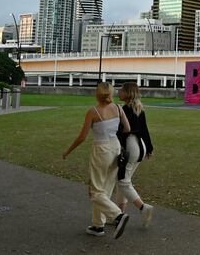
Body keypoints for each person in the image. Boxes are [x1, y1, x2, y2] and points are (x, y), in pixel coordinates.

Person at [63, 82, 131, 238]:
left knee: (95, 192)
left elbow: (82, 137)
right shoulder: (118, 108)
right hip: (116, 147)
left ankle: (118, 216)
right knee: (105, 190)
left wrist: (67, 151)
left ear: (97, 94)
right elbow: (127, 128)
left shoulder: (93, 112)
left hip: (101, 149)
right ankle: (97, 225)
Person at [114, 83, 155, 228]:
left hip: (131, 145)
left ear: (127, 93)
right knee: (124, 180)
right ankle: (120, 214)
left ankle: (143, 208)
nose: (118, 91)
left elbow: (121, 131)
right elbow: (145, 129)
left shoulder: (125, 109)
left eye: (121, 90)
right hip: (141, 145)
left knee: (123, 181)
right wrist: (149, 148)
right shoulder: (139, 108)